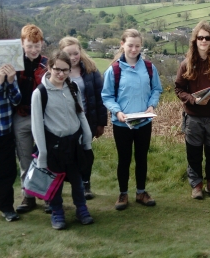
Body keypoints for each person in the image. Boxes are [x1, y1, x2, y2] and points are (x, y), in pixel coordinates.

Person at [31, 50, 94, 230]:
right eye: (57, 69)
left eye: (65, 70)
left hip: (74, 144)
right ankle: (57, 211)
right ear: (49, 67)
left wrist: (87, 140)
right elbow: (36, 125)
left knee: (77, 180)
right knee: (55, 182)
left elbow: (81, 115)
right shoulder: (40, 93)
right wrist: (42, 153)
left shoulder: (73, 88)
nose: (60, 74)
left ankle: (81, 208)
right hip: (54, 146)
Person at [102, 29, 162, 211]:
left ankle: (141, 192)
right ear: (122, 45)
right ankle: (123, 194)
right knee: (124, 159)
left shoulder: (150, 68)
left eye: (137, 46)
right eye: (130, 45)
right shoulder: (114, 70)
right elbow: (107, 95)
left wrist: (152, 105)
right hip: (122, 123)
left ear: (141, 46)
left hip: (143, 122)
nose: (134, 49)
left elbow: (156, 89)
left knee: (142, 158)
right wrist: (117, 112)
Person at [175, 21, 210, 199]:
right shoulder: (186, 64)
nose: (204, 41)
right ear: (195, 40)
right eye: (200, 37)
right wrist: (193, 99)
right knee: (194, 153)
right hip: (193, 118)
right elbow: (178, 89)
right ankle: (196, 185)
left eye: (207, 38)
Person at [59, 36, 107, 199]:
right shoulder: (57, 71)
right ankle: (68, 185)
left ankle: (85, 184)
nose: (73, 57)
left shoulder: (91, 70)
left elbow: (100, 98)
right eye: (68, 54)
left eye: (75, 53)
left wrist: (101, 123)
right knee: (67, 155)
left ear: (80, 51)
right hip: (65, 122)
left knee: (86, 153)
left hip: (87, 120)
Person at [14, 24, 48, 214]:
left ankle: (48, 196)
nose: (33, 50)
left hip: (43, 117)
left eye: (37, 46)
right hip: (21, 115)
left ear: (41, 44)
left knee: (45, 156)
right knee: (24, 157)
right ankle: (28, 196)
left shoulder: (47, 64)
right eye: (29, 46)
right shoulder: (14, 64)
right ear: (22, 44)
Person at [0, 64, 22, 222]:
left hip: (4, 133)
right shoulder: (0, 77)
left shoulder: (7, 71)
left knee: (6, 173)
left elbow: (17, 101)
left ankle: (6, 207)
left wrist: (11, 82)